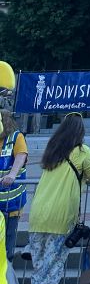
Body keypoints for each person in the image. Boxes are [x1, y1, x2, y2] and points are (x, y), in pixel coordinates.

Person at [26, 113, 90, 284]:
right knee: (51, 274)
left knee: (39, 273)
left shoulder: (51, 151)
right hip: (60, 218)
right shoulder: (83, 151)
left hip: (38, 215)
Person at [0, 111, 28, 260]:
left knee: (7, 243)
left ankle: (6, 276)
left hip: (11, 204)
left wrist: (12, 174)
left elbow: (21, 156)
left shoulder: (16, 137)